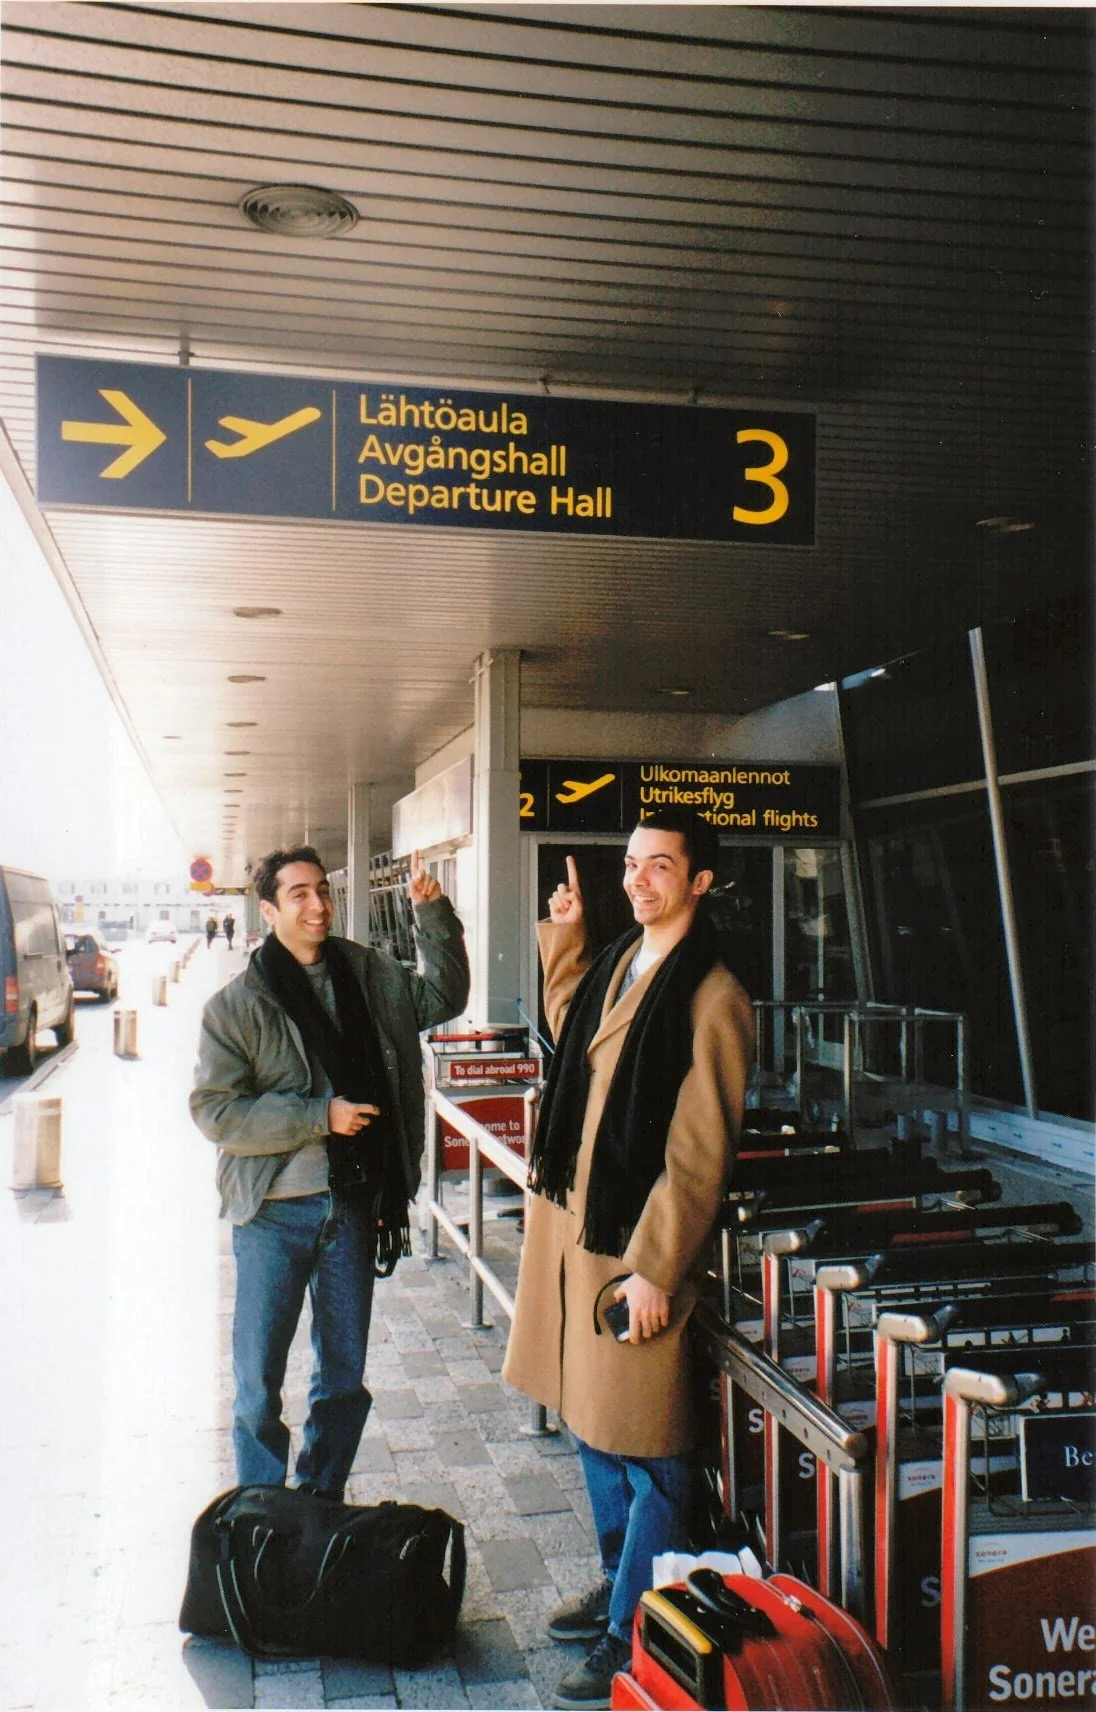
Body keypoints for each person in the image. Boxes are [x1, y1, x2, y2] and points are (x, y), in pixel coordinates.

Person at [503, 809, 754, 1709]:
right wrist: (567, 937)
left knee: (652, 1451)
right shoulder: (621, 962)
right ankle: (620, 1580)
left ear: (699, 881)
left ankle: (634, 1626)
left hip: (635, 1252)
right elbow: (584, 1040)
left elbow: (700, 1150)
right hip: (577, 1235)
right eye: (630, 865)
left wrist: (656, 1269)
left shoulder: (712, 993)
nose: (638, 880)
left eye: (660, 866)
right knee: (592, 1427)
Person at [190, 843, 468, 1500]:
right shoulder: (236, 1005)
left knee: (342, 1376)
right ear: (268, 910)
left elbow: (443, 996)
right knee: (258, 1381)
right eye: (299, 895)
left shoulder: (367, 975)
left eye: (323, 891)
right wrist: (320, 1116)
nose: (317, 905)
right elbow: (216, 1112)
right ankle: (259, 1510)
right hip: (272, 1215)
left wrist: (433, 916)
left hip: (350, 1206)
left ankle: (317, 1504)